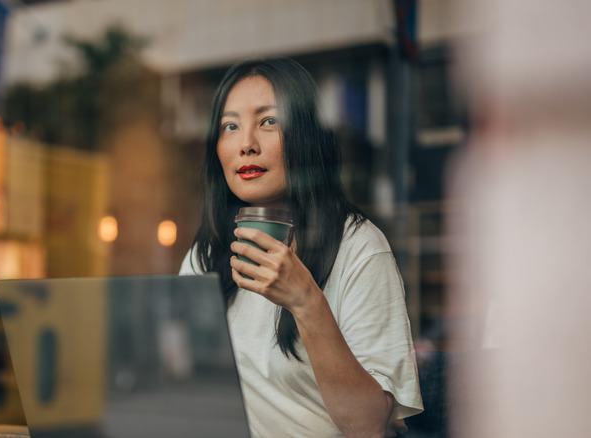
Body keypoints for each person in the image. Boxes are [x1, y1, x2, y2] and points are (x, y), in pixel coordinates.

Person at [179, 57, 423, 437]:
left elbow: (369, 427)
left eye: (269, 121)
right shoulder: (205, 254)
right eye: (230, 126)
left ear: (305, 136)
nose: (246, 144)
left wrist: (306, 300)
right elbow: (181, 391)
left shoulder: (358, 248)